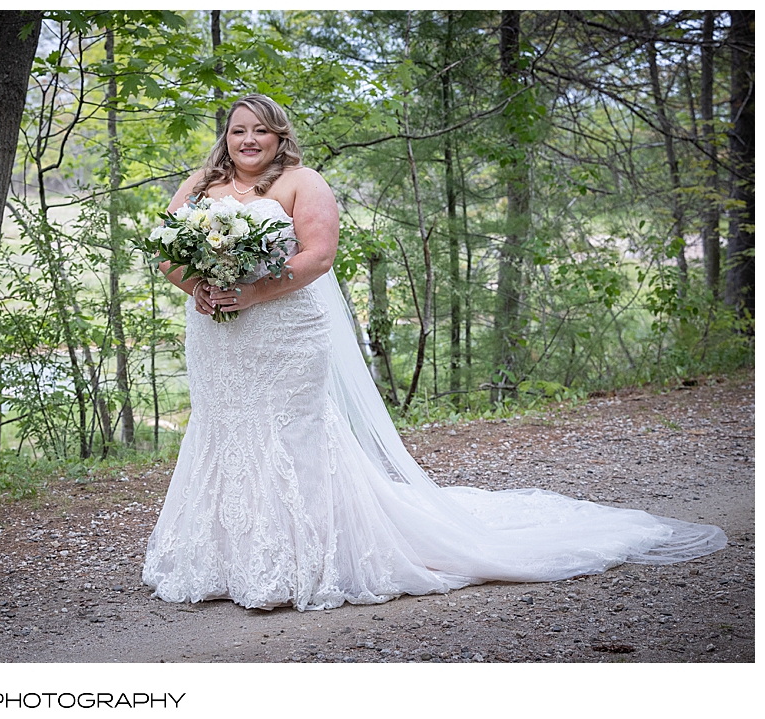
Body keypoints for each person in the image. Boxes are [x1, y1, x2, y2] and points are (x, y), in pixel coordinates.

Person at [142, 94, 726, 612]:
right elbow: (167, 250)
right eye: (239, 130)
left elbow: (317, 258)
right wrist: (201, 289)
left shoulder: (304, 182)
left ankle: (302, 561)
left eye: (261, 131)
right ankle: (221, 560)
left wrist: (251, 292)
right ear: (227, 135)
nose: (248, 140)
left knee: (291, 433)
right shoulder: (198, 186)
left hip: (285, 330)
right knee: (224, 429)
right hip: (219, 333)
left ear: (279, 138)